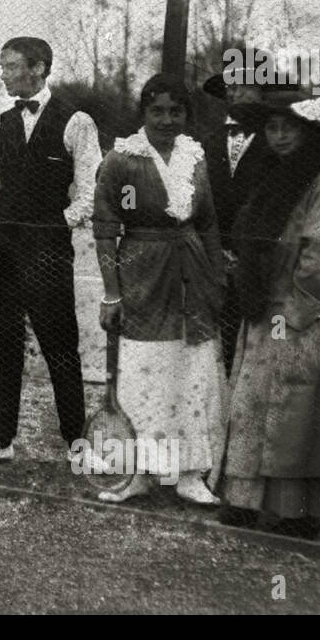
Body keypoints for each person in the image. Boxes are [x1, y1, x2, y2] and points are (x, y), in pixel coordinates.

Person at [217, 89, 320, 539]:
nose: (278, 136)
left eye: (288, 128)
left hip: (304, 313)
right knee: (252, 406)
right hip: (263, 308)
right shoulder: (269, 176)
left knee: (295, 412)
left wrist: (296, 311)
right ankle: (245, 500)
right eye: (272, 128)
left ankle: (298, 510)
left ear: (309, 133)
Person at [0, 37, 102, 467]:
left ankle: (78, 447)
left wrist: (61, 221)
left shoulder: (76, 122)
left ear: (39, 68)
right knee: (2, 346)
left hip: (48, 253)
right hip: (2, 252)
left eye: (11, 65)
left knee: (60, 346)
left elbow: (92, 190)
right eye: (2, 65)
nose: (2, 73)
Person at [91, 74, 225, 504]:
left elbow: (207, 224)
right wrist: (112, 293)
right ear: (143, 114)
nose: (167, 120)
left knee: (190, 372)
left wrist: (215, 277)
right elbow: (105, 231)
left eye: (176, 111)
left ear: (186, 114)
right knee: (144, 372)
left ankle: (188, 473)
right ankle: (139, 473)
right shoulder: (122, 160)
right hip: (142, 274)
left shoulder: (195, 156)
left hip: (191, 274)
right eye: (158, 111)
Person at [203, 69, 273, 375]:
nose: (236, 92)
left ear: (261, 92)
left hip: (257, 259)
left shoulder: (277, 142)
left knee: (256, 338)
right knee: (218, 338)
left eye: (245, 85)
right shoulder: (207, 141)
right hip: (213, 257)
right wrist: (216, 248)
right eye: (231, 87)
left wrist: (246, 251)